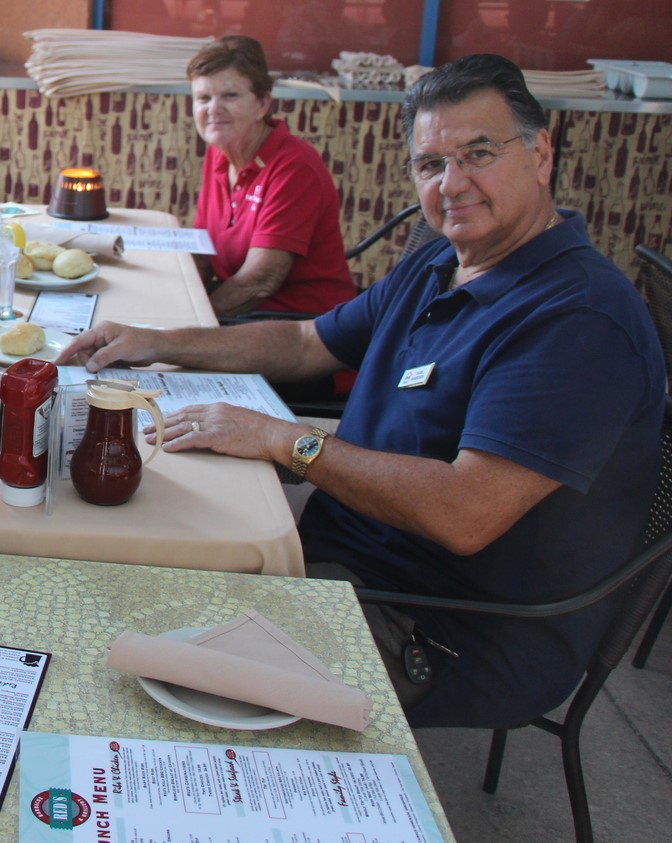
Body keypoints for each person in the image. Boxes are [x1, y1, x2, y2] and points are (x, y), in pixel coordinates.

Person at [59, 54, 663, 729]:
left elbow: (465, 513)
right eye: (430, 164)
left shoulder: (578, 319)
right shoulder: (441, 259)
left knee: (132, 663)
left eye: (479, 153)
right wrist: (155, 341)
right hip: (347, 547)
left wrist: (287, 441)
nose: (452, 183)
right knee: (116, 553)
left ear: (541, 153)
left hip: (445, 625)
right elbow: (305, 342)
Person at [187, 36, 355, 317]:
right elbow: (202, 253)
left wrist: (191, 322)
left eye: (230, 95)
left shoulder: (294, 167)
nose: (213, 109)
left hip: (301, 323)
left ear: (262, 105)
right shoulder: (219, 153)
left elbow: (259, 282)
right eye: (203, 98)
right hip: (243, 312)